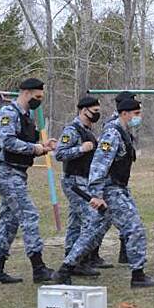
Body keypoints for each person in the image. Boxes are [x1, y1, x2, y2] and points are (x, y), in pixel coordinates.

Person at [52, 97, 154, 288]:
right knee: (134, 228)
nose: (139, 117)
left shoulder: (123, 132)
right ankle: (138, 275)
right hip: (111, 191)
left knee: (93, 232)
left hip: (118, 188)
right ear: (125, 113)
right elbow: (99, 165)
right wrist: (96, 195)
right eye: (136, 114)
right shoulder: (112, 134)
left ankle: (65, 269)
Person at [0, 78, 57, 284]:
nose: (39, 101)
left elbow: (23, 141)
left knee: (9, 222)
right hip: (7, 172)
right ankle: (38, 268)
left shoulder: (26, 116)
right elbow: (7, 141)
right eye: (37, 96)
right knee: (30, 215)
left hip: (18, 172)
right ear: (26, 93)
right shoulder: (7, 114)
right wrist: (34, 149)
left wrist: (42, 145)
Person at [54, 96, 113, 277]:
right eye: (94, 111)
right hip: (74, 182)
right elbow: (59, 154)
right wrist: (80, 149)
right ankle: (75, 260)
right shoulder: (72, 130)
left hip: (84, 181)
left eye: (98, 111)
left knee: (76, 222)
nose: (97, 115)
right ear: (83, 110)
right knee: (93, 218)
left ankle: (75, 256)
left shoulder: (88, 130)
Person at [101, 91, 137, 264]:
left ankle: (125, 253)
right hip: (111, 183)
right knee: (101, 223)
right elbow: (103, 161)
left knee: (108, 222)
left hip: (120, 182)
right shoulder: (112, 127)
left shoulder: (125, 125)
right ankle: (73, 263)